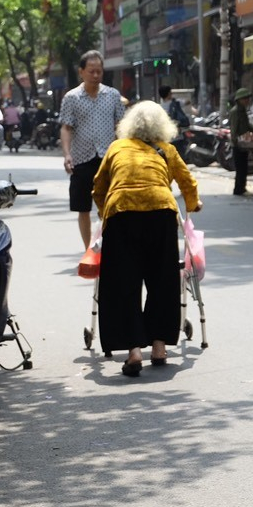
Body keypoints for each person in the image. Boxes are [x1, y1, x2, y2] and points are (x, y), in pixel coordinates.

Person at [91, 101, 202, 376]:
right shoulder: (167, 149)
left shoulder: (116, 148)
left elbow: (98, 186)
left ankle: (133, 351)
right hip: (160, 212)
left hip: (122, 213)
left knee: (124, 282)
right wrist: (193, 204)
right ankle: (160, 346)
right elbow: (188, 182)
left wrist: (106, 212)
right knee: (162, 279)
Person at [60, 50, 126, 249]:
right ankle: (88, 248)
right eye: (91, 71)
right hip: (82, 158)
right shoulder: (72, 98)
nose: (96, 75)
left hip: (109, 159)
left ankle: (110, 245)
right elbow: (66, 127)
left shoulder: (113, 95)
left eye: (99, 71)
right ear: (81, 72)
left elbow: (121, 126)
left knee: (110, 205)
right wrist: (67, 154)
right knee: (83, 208)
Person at [228, 88, 253, 196]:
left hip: (244, 142)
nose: (247, 101)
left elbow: (247, 125)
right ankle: (239, 189)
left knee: (244, 167)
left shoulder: (243, 111)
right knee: (240, 168)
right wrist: (235, 142)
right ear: (240, 100)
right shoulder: (235, 112)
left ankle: (242, 188)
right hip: (238, 143)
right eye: (245, 99)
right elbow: (233, 129)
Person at [159, 85, 191, 157]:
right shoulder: (176, 103)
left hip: (166, 137)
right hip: (177, 134)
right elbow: (188, 102)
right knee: (179, 155)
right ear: (169, 94)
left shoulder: (160, 107)